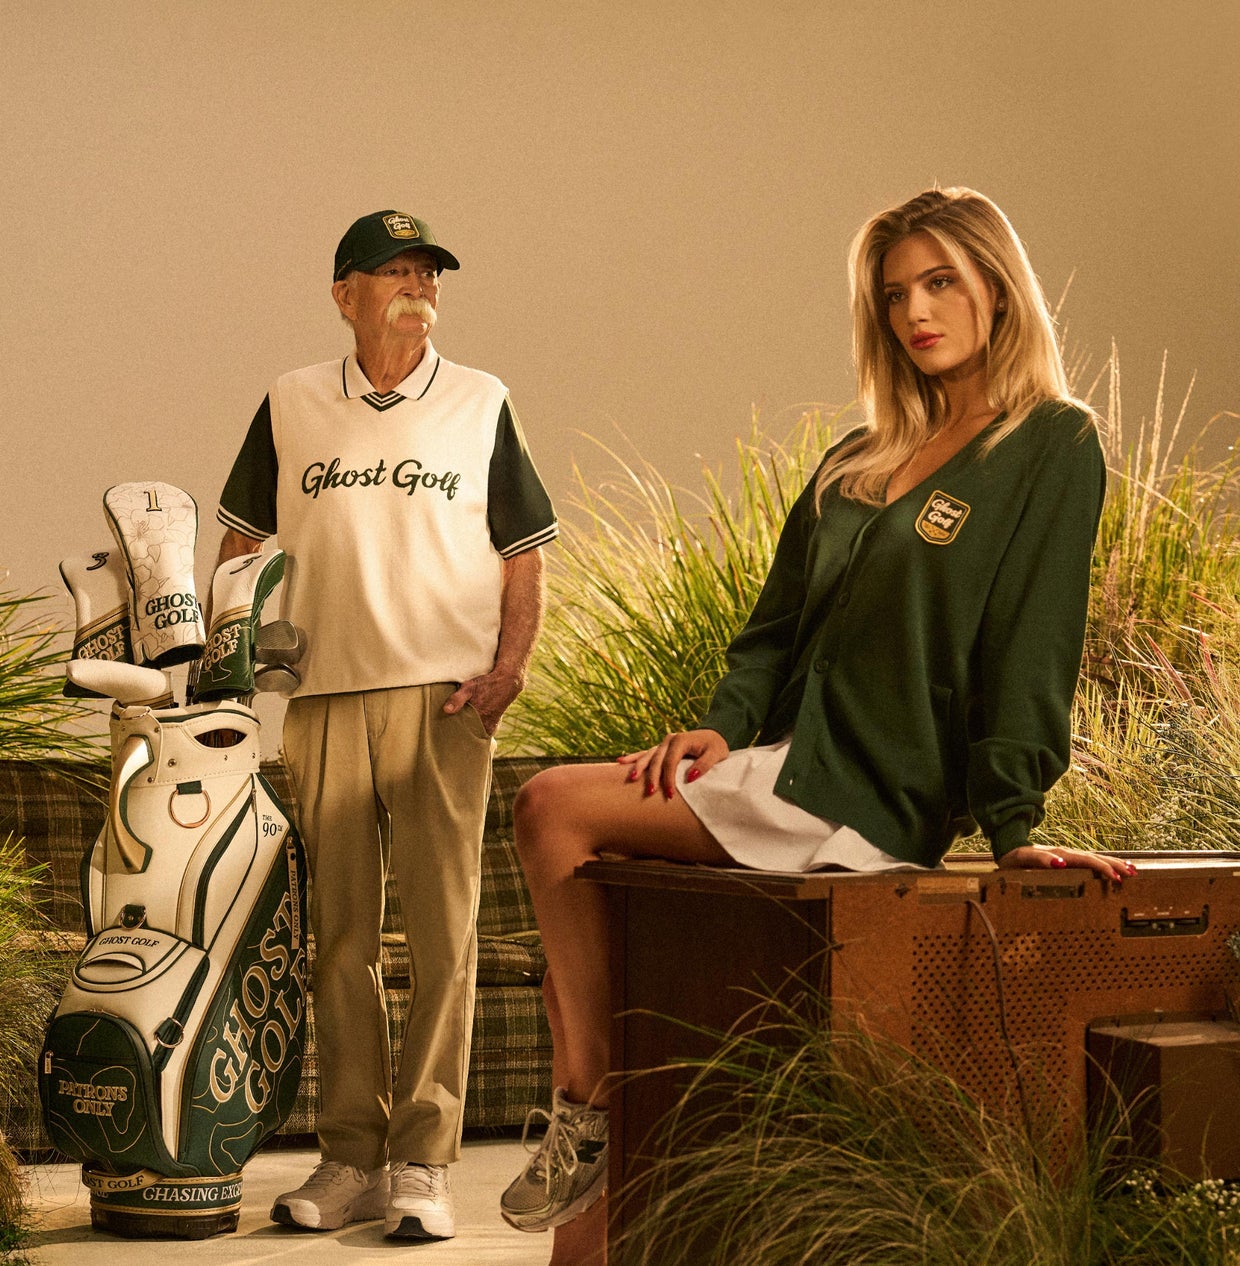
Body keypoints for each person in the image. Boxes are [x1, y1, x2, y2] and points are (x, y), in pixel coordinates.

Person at [498, 187, 1127, 1264]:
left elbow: (1034, 643)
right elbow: (772, 633)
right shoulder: (858, 457)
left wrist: (1015, 818)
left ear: (996, 287)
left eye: (940, 283)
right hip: (775, 770)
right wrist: (717, 730)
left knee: (552, 805)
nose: (916, 312)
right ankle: (590, 1187)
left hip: (861, 797)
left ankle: (586, 1104)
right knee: (593, 969)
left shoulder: (1051, 445)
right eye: (894, 295)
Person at [215, 209, 558, 1242]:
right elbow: (239, 540)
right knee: (340, 940)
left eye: (427, 272)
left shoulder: (481, 401)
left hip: (445, 701)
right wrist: (239, 658)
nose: (416, 286)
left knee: (445, 938)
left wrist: (510, 669)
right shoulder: (291, 402)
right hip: (322, 700)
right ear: (344, 294)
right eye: (393, 271)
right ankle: (349, 1158)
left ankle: (424, 1163)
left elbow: (524, 552)